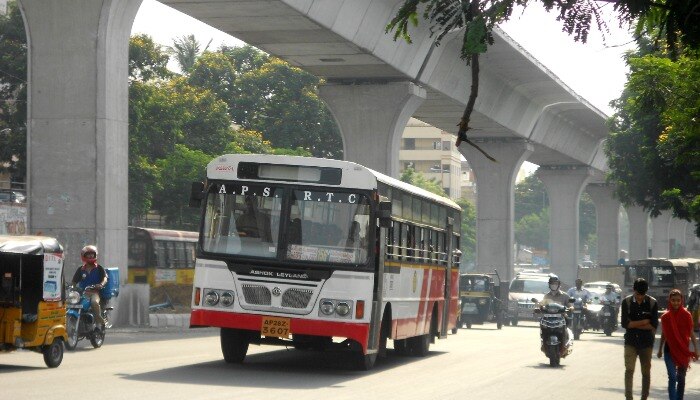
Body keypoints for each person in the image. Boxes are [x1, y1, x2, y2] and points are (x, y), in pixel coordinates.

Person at [657, 289, 699, 400]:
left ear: (682, 301)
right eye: (673, 300)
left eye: (678, 300)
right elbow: (664, 334)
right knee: (672, 377)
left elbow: (691, 333)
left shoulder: (687, 315)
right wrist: (660, 349)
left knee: (681, 378)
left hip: (682, 351)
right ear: (669, 300)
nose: (676, 303)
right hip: (668, 351)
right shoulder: (665, 317)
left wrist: (696, 349)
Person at [622, 278, 659, 400]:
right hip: (630, 342)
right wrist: (644, 321)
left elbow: (653, 325)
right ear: (634, 290)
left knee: (646, 372)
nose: (640, 298)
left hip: (646, 343)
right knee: (629, 370)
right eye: (638, 295)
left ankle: (644, 397)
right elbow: (625, 324)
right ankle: (629, 397)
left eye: (642, 295)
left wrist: (634, 323)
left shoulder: (652, 303)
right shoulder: (626, 302)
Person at [71, 245, 107, 327]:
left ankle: (99, 324)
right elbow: (74, 281)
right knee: (71, 303)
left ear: (95, 255)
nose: (90, 256)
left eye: (92, 254)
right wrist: (72, 288)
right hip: (83, 293)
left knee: (94, 302)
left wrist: (101, 285)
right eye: (88, 254)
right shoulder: (81, 269)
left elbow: (105, 278)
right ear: (84, 256)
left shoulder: (99, 268)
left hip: (95, 292)